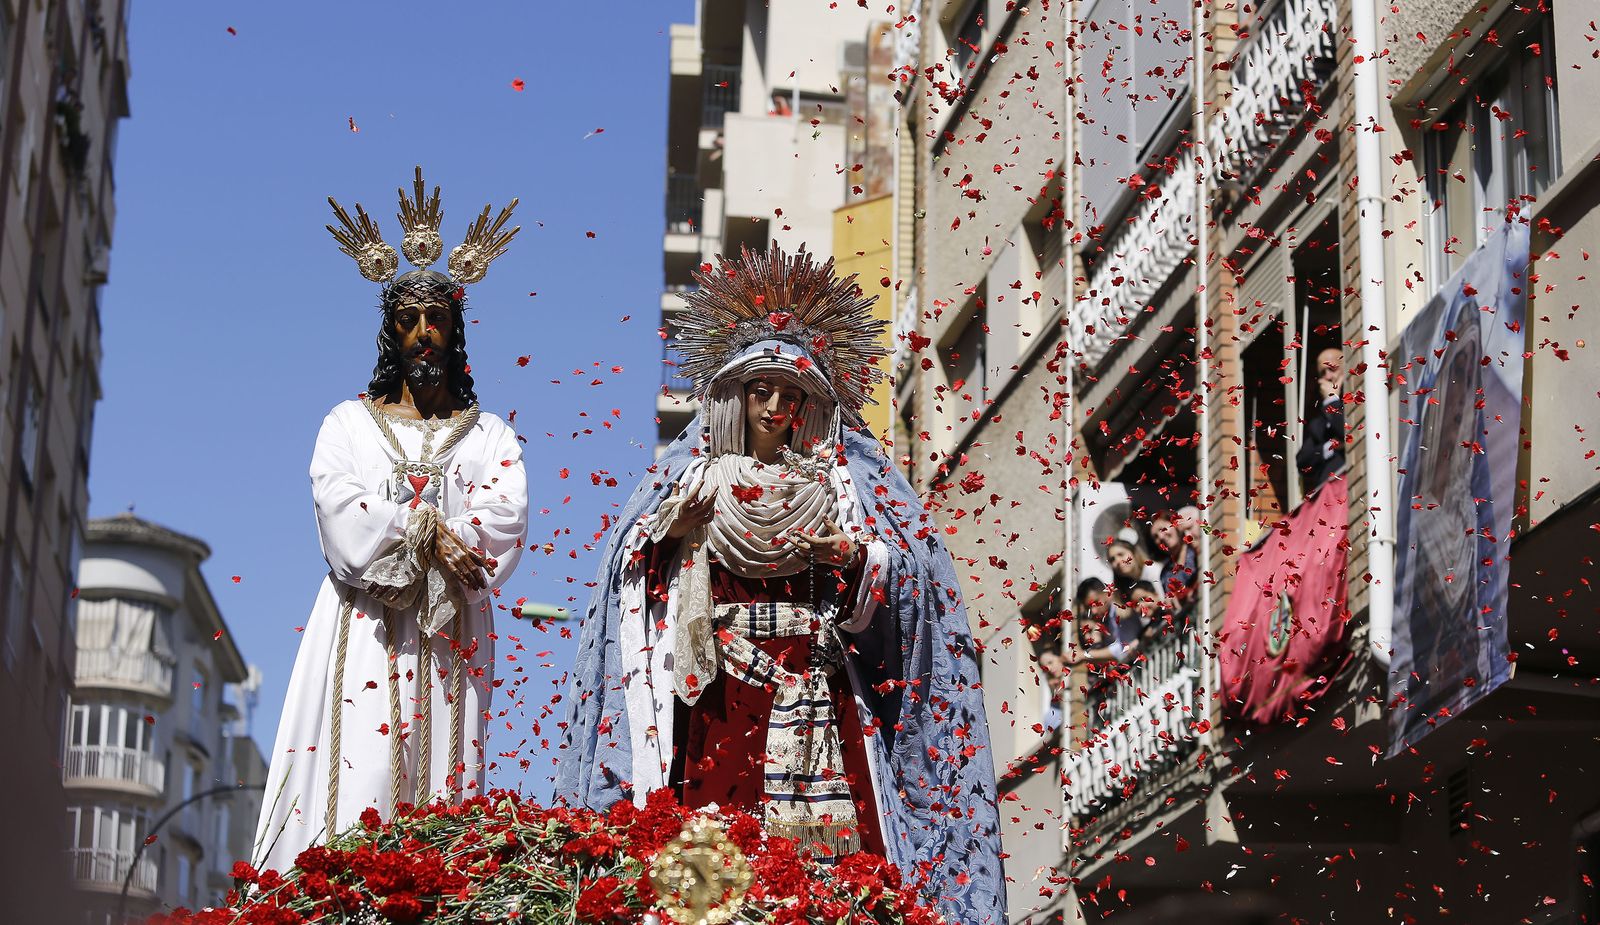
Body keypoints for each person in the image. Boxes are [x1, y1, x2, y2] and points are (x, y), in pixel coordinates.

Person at [556, 247, 1006, 923]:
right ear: (736, 394)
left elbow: (911, 587)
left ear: (807, 403)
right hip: (720, 701)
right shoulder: (694, 478)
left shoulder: (843, 485)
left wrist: (854, 558)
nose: (772, 406)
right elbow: (631, 580)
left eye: (788, 394)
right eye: (759, 391)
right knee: (715, 870)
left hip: (818, 693)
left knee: (829, 882)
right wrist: (674, 535)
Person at [255, 170, 529, 874]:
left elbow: (503, 518)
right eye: (409, 320)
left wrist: (441, 535)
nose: (423, 332)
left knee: (442, 783)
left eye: (436, 317)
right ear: (391, 332)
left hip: (449, 632)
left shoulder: (489, 435)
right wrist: (428, 530)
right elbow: (341, 515)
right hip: (365, 623)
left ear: (455, 328)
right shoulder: (347, 424)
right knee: (363, 767)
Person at [1297, 347, 1346, 493]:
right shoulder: (1319, 422)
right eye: (1323, 373)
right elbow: (1303, 461)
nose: (1328, 376)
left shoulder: (1357, 404)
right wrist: (1330, 447)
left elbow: (1347, 432)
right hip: (1328, 495)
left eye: (1332, 369)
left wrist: (1332, 401)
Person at [1149, 510, 1198, 614]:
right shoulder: (1165, 573)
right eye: (1155, 537)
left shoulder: (1195, 547)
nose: (1161, 537)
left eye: (1162, 529)